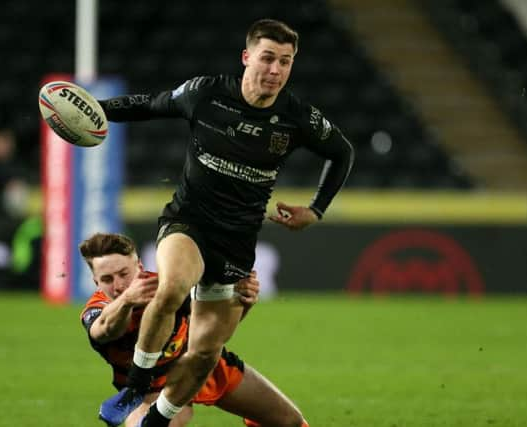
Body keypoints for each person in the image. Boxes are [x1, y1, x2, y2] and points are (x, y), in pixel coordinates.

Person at [97, 18, 354, 426]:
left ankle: (157, 419)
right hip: (188, 222)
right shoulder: (206, 93)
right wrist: (95, 110)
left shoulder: (297, 117)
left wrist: (316, 210)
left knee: (205, 352)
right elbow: (150, 104)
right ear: (246, 57)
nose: (275, 70)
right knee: (173, 286)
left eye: (285, 62)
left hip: (236, 242)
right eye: (268, 58)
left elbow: (342, 153)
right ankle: (135, 386)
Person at [79, 232, 309, 427]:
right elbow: (106, 330)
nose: (118, 285)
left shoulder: (168, 289)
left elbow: (213, 331)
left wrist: (242, 304)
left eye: (123, 274)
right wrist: (128, 300)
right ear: (95, 281)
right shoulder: (98, 309)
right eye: (107, 279)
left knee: (290, 422)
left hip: (205, 366)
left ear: (139, 266)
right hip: (152, 389)